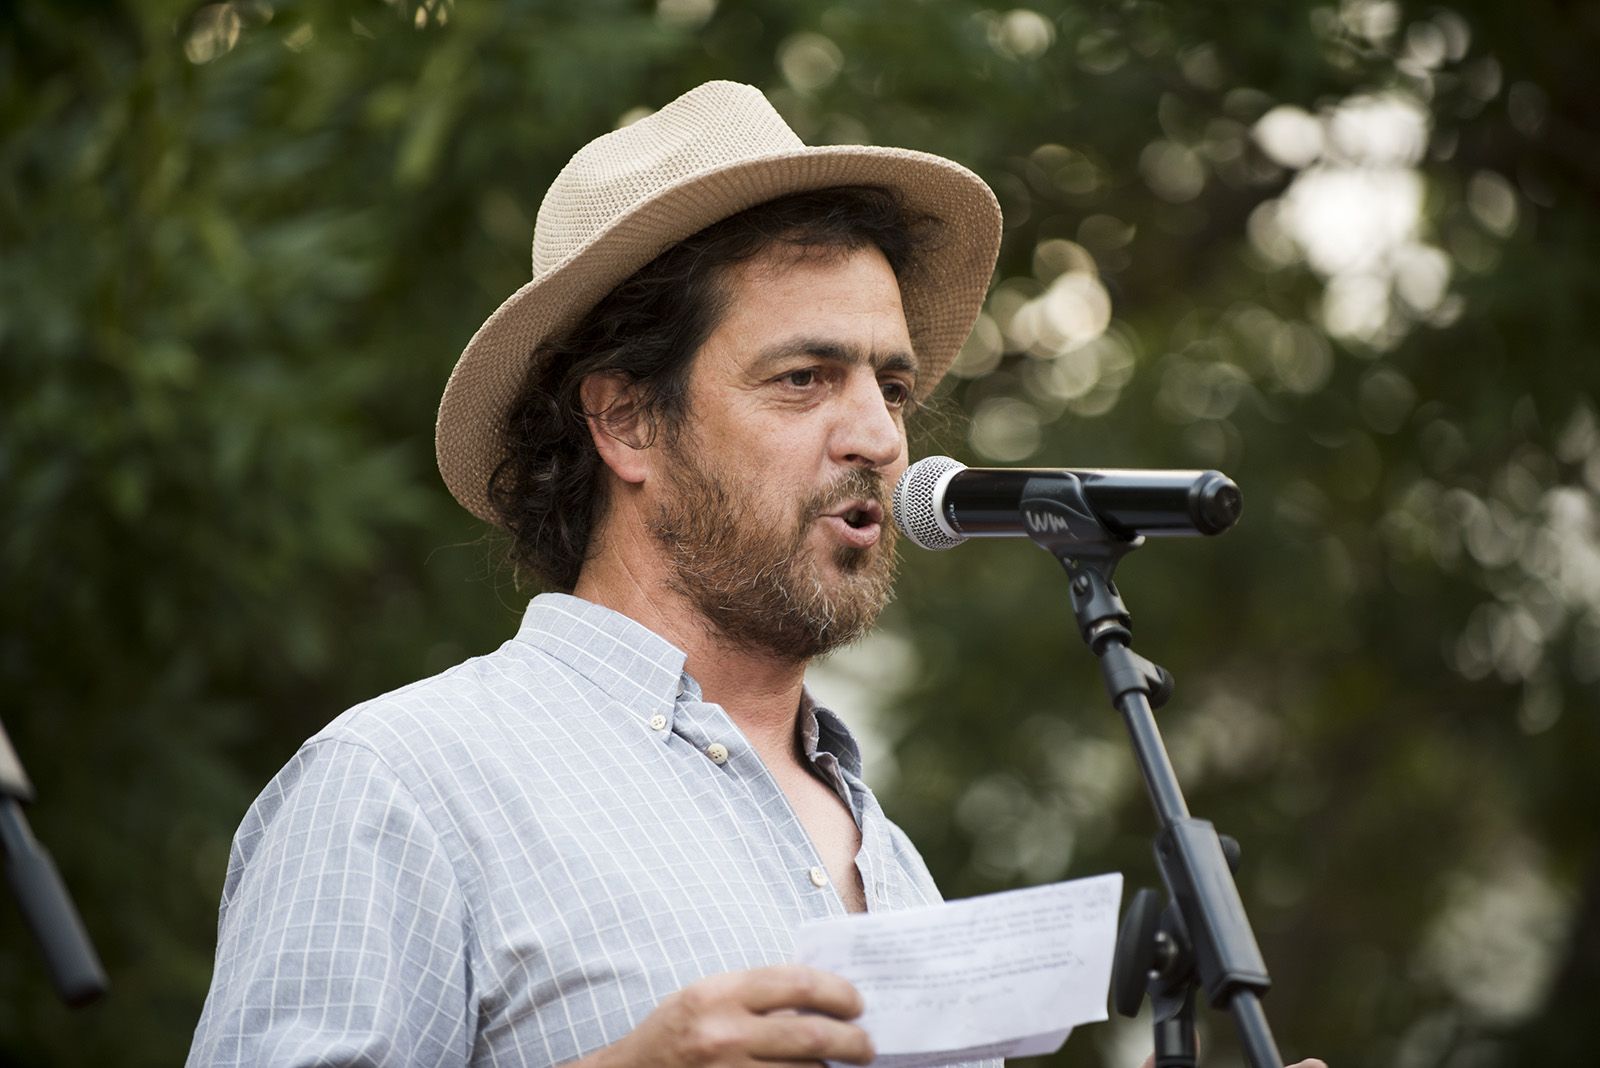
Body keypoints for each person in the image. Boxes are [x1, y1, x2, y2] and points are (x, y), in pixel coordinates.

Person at [188, 80, 1325, 1068]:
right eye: (803, 379)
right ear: (627, 422)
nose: (879, 435)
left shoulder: (893, 855)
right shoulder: (401, 785)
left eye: (891, 384)